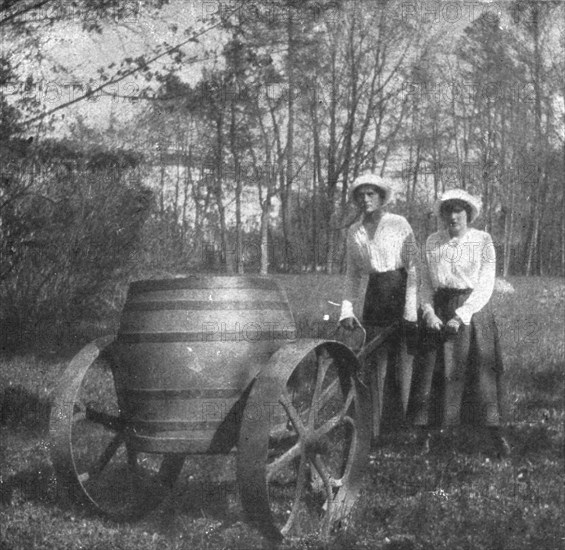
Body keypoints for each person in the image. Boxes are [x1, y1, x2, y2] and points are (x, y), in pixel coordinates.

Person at [409, 189, 510, 457]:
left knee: (480, 374)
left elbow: (486, 284)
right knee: (431, 371)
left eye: (459, 211)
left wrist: (462, 315)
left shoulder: (482, 240)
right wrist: (429, 312)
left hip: (473, 311)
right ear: (442, 215)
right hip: (439, 311)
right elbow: (426, 285)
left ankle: (492, 436)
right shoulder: (432, 242)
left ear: (468, 214)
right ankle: (425, 436)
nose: (453, 216)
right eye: (448, 211)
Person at [339, 173, 419, 443]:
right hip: (374, 297)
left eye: (372, 193)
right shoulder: (354, 231)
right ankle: (371, 430)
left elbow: (414, 267)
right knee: (373, 362)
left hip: (400, 290)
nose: (366, 199)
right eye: (361, 194)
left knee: (403, 362)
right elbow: (352, 274)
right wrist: (346, 310)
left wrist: (410, 310)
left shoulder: (398, 223)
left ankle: (401, 428)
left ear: (381, 197)